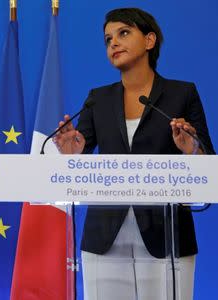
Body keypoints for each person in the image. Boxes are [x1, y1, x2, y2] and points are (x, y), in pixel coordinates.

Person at [53, 7, 215, 300]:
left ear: (149, 40)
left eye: (123, 33)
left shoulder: (182, 94)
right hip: (104, 238)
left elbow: (208, 165)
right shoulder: (96, 99)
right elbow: (77, 166)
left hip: (167, 238)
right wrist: (72, 154)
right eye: (107, 39)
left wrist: (191, 149)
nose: (113, 43)